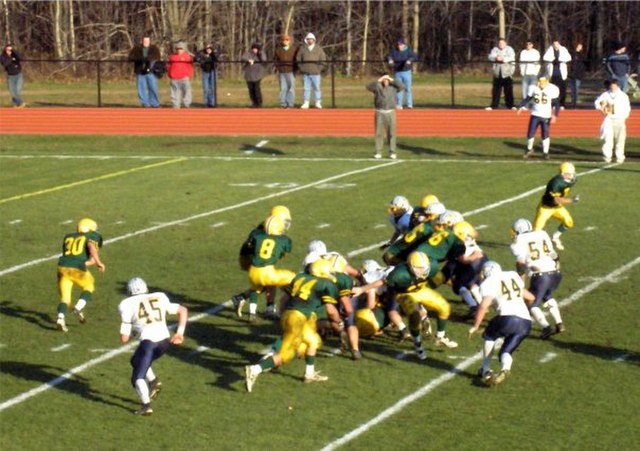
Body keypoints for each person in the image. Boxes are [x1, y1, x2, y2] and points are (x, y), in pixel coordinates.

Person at [244, 259, 341, 392]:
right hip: (298, 319)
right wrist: (339, 322)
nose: (330, 274)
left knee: (312, 341)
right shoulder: (325, 284)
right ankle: (255, 369)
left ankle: (309, 373)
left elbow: (286, 297)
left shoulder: (300, 277)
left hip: (290, 314)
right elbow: (330, 310)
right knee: (286, 354)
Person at [118, 277, 188, 416]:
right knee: (134, 361)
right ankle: (154, 381)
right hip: (164, 341)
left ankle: (146, 405)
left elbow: (124, 338)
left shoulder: (125, 304)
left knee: (137, 377)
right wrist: (179, 333)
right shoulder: (159, 296)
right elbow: (183, 310)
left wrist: (132, 330)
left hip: (149, 343)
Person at [468, 261, 534, 386]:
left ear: (486, 272)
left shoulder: (488, 282)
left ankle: (485, 369)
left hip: (507, 318)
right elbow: (531, 297)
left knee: (489, 335)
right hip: (526, 322)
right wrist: (525, 309)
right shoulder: (512, 275)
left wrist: (475, 326)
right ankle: (505, 369)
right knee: (505, 352)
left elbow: (484, 305)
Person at [510, 218, 565, 339]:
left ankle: (546, 327)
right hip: (556, 273)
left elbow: (520, 262)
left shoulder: (519, 240)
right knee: (547, 296)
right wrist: (556, 266)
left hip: (541, 276)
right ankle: (559, 322)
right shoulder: (542, 233)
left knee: (531, 303)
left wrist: (521, 275)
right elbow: (553, 254)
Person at [55, 218, 105, 332]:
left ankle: (60, 318)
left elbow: (71, 256)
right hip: (77, 268)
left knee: (65, 298)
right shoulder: (91, 237)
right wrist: (99, 262)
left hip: (62, 267)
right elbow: (91, 248)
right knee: (89, 285)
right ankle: (79, 307)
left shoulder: (68, 236)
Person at [533, 162, 580, 251]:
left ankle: (555, 237)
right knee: (536, 231)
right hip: (546, 207)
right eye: (569, 174)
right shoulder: (555, 183)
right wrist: (571, 200)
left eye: (572, 173)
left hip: (557, 207)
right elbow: (556, 200)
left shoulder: (572, 180)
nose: (572, 175)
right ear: (563, 173)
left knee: (568, 222)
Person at [517, 76, 560, 159]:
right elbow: (527, 98)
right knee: (530, 133)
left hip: (546, 115)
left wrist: (555, 115)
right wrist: (521, 106)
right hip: (535, 114)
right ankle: (529, 149)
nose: (541, 85)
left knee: (545, 134)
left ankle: (545, 152)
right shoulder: (533, 88)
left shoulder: (552, 89)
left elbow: (556, 103)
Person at [366, 74, 405, 160]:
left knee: (391, 133)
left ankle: (392, 152)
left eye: (386, 80)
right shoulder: (377, 86)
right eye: (384, 80)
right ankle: (378, 152)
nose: (385, 82)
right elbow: (368, 86)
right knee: (379, 133)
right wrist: (379, 80)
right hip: (379, 111)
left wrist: (391, 79)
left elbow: (402, 86)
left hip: (390, 112)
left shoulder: (393, 87)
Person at [594, 79, 631, 164]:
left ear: (618, 86)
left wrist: (624, 117)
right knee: (608, 139)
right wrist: (601, 108)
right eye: (612, 85)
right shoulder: (605, 94)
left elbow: (627, 108)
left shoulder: (623, 96)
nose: (613, 87)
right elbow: (597, 103)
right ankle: (607, 157)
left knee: (620, 140)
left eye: (614, 86)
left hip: (620, 120)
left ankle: (620, 158)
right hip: (609, 120)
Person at [128, 35, 162, 108]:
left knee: (153, 87)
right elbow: (130, 57)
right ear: (142, 41)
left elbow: (157, 58)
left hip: (151, 72)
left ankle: (155, 103)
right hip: (140, 72)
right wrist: (140, 59)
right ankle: (145, 103)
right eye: (144, 41)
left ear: (150, 41)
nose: (146, 42)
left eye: (147, 41)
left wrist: (148, 61)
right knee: (141, 88)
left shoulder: (154, 49)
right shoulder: (137, 48)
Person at [296, 32, 326, 109]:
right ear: (306, 40)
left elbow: (323, 59)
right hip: (306, 73)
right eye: (308, 39)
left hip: (316, 73)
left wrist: (319, 68)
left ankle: (317, 102)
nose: (310, 41)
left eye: (311, 39)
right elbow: (298, 59)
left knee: (316, 88)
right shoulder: (302, 48)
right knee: (306, 88)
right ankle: (306, 102)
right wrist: (302, 68)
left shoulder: (318, 49)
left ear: (314, 40)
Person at [387, 38, 417, 109]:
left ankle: (409, 104)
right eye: (398, 45)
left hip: (406, 72)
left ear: (404, 45)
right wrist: (390, 60)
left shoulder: (408, 51)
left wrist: (409, 60)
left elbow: (414, 57)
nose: (399, 46)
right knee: (398, 88)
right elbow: (389, 56)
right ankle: (399, 104)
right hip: (397, 72)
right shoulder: (394, 51)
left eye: (400, 45)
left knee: (408, 88)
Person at [487, 38, 516, 110]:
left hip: (507, 73)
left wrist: (503, 59)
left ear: (505, 43)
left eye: (502, 43)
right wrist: (496, 57)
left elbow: (511, 57)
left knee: (508, 90)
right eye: (499, 43)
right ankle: (494, 105)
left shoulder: (509, 49)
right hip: (497, 73)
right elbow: (490, 56)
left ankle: (510, 105)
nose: (501, 45)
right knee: (496, 91)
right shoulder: (495, 49)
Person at [543, 40, 571, 109]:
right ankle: (554, 104)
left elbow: (569, 58)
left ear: (559, 44)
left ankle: (562, 104)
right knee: (553, 90)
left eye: (557, 44)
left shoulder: (563, 50)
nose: (556, 46)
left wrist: (560, 60)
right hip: (553, 74)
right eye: (554, 44)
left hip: (561, 74)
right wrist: (553, 59)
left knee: (562, 90)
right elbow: (545, 58)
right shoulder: (550, 50)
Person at [167, 41, 193, 108]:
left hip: (184, 77)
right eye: (178, 48)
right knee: (175, 93)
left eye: (181, 48)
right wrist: (170, 74)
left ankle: (186, 105)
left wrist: (189, 75)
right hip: (174, 78)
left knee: (187, 92)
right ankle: (176, 106)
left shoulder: (187, 56)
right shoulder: (172, 57)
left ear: (184, 49)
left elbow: (190, 67)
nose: (179, 50)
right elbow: (169, 66)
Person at [273, 34, 296, 108]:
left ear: (289, 41)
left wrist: (295, 69)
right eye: (283, 40)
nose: (285, 41)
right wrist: (279, 68)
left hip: (291, 71)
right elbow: (275, 60)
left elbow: (296, 60)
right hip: (282, 72)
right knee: (283, 88)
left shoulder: (294, 50)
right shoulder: (278, 50)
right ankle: (283, 104)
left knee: (291, 88)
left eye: (287, 40)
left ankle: (291, 103)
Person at [241, 42, 267, 108]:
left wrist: (259, 54)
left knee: (257, 89)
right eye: (253, 49)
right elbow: (243, 57)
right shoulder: (248, 53)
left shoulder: (261, 54)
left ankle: (259, 103)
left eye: (256, 49)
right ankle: (254, 103)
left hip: (257, 74)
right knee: (251, 89)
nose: (254, 50)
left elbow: (264, 59)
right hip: (249, 74)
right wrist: (249, 60)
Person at [0, 43, 25, 107]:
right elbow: (5, 64)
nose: (9, 51)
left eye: (10, 50)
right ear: (5, 50)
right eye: (8, 50)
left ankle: (15, 104)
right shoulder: (2, 57)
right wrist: (11, 59)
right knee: (13, 92)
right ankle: (21, 102)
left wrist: (13, 51)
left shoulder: (15, 55)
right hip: (10, 76)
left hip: (18, 75)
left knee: (17, 91)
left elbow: (20, 57)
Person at [195, 43, 218, 107]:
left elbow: (216, 59)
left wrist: (211, 54)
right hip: (205, 71)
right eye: (207, 48)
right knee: (206, 88)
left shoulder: (214, 54)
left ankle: (212, 103)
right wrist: (201, 59)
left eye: (210, 48)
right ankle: (206, 103)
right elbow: (196, 59)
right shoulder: (202, 53)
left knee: (212, 88)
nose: (208, 50)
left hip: (212, 71)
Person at [569, 42, 587, 108]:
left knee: (576, 88)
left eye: (581, 47)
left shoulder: (582, 55)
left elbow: (584, 61)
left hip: (578, 74)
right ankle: (573, 101)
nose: (580, 48)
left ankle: (575, 101)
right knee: (572, 88)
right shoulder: (572, 54)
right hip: (572, 74)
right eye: (578, 46)